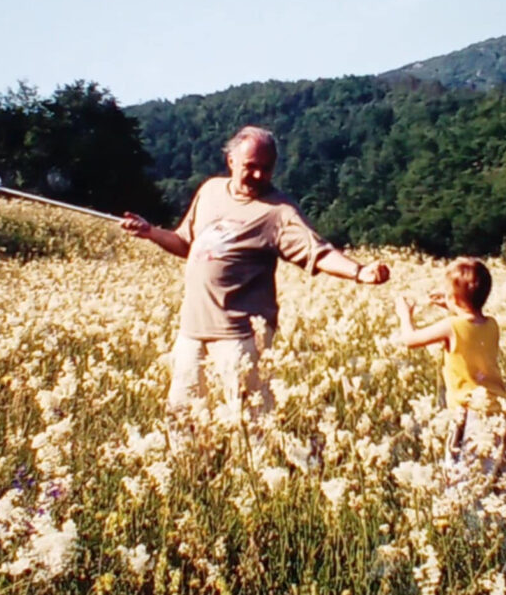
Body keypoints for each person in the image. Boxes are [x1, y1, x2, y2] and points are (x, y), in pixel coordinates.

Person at [121, 125, 390, 420]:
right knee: (182, 417)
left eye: (267, 168)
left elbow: (318, 251)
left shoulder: (279, 211)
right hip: (192, 332)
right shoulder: (209, 191)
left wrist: (359, 271)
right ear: (231, 161)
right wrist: (150, 232)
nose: (259, 176)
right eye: (251, 167)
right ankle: (198, 466)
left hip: (239, 337)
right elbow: (185, 242)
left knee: (249, 423)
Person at [394, 257, 506, 467]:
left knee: (464, 478)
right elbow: (469, 323)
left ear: (455, 299)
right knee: (499, 477)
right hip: (499, 410)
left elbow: (409, 340)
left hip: (470, 416)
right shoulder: (492, 324)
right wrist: (451, 304)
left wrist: (405, 315)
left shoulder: (451, 326)